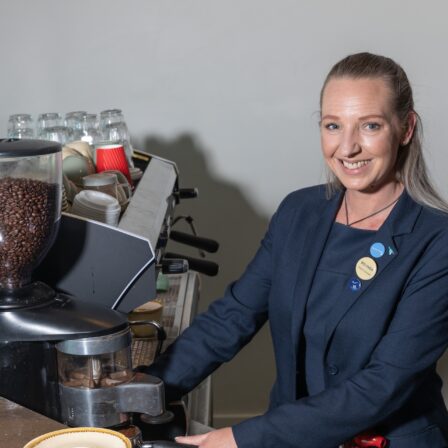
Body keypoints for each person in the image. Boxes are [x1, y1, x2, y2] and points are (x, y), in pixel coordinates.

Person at [147, 52, 448, 447]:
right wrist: (147, 388)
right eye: (333, 125)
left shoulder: (437, 241)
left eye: (370, 126)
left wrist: (243, 438)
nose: (348, 147)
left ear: (405, 128)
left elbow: (383, 384)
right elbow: (234, 316)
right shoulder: (298, 212)